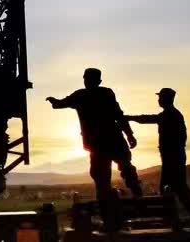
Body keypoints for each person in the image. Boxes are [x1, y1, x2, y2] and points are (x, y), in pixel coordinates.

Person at [46, 68, 143, 209]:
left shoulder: (81, 95)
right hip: (113, 139)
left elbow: (59, 104)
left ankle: (110, 207)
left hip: (98, 144)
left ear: (94, 80)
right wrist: (129, 134)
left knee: (102, 177)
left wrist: (54, 101)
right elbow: (119, 115)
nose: (86, 81)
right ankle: (133, 195)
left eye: (87, 78)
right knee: (120, 168)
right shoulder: (105, 93)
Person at [127, 88, 190, 228]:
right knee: (173, 189)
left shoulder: (171, 115)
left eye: (160, 97)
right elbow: (148, 118)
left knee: (176, 188)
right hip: (172, 158)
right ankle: (179, 217)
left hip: (173, 158)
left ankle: (186, 217)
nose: (159, 100)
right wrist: (130, 118)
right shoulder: (170, 115)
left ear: (167, 99)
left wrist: (129, 118)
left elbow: (149, 119)